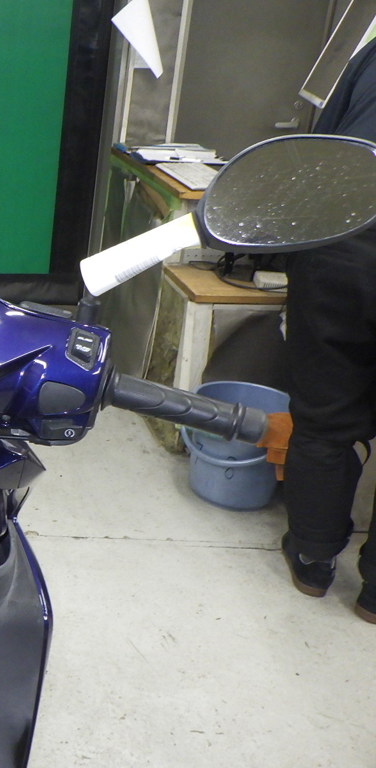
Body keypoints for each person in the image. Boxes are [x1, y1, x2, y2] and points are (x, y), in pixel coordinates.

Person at [280, 37, 376, 623]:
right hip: (347, 236)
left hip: (344, 242)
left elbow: (322, 152)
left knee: (323, 419)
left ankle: (313, 560)